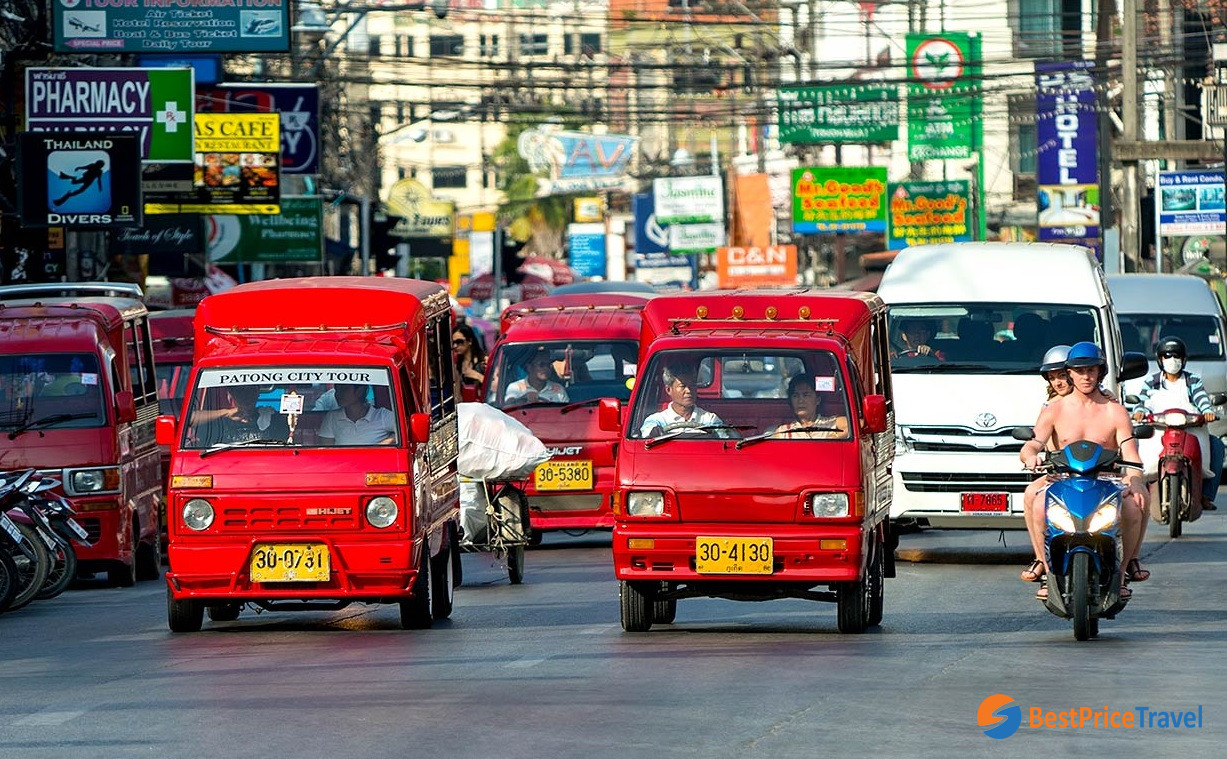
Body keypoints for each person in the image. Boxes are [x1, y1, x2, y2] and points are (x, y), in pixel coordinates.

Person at [1019, 342, 1149, 601]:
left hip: (1107, 479)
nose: (1086, 376)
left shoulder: (1115, 410)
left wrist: (1134, 481)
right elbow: (1033, 443)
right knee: (1037, 502)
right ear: (1070, 373)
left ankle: (1122, 572)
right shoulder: (1054, 408)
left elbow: (1130, 452)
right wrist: (1030, 455)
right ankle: (1045, 568)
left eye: (1091, 370)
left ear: (1100, 372)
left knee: (1135, 504)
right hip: (1063, 478)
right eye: (1079, 371)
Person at [1130, 336, 1223, 511]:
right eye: (1167, 356)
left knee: (1217, 446)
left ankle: (1205, 495)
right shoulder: (1152, 381)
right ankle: (1139, 490)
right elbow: (1141, 401)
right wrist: (1139, 411)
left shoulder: (1192, 380)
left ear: (1183, 359)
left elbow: (1201, 398)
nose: (1172, 360)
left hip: (1190, 427)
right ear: (1160, 359)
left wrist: (1207, 411)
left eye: (1176, 356)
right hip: (1160, 427)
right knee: (1134, 447)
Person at [1019, 344, 1074, 585]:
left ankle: (1125, 564)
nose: (1058, 382)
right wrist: (1031, 456)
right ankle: (1041, 559)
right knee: (1032, 494)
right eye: (1052, 378)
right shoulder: (1049, 407)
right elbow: (1034, 441)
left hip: (1095, 473)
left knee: (1134, 499)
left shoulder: (1101, 401)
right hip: (1059, 473)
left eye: (1062, 375)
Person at [640, 365, 729, 438]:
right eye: (682, 386)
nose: (688, 390)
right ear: (668, 390)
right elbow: (646, 435)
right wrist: (653, 434)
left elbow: (725, 439)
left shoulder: (710, 420)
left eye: (692, 385)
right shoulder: (657, 420)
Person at [193, 385, 289, 446]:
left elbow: (290, 431)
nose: (246, 397)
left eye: (251, 391)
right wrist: (225, 413)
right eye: (241, 392)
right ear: (231, 394)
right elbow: (190, 420)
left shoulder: (272, 419)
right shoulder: (220, 422)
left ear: (257, 393)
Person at [771, 373, 849, 439]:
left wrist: (834, 437)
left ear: (817, 400)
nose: (800, 400)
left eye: (806, 395)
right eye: (795, 396)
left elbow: (854, 426)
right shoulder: (783, 432)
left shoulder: (830, 423)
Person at [318, 384, 396, 446]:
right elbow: (326, 449)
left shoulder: (382, 415)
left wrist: (384, 443)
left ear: (359, 391)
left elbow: (402, 431)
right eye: (336, 390)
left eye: (344, 389)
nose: (338, 394)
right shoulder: (332, 417)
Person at [504, 348, 569, 404]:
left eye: (548, 365)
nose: (546, 368)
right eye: (541, 365)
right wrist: (523, 398)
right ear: (529, 367)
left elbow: (567, 411)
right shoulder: (515, 387)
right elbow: (508, 406)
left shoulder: (559, 389)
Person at [453, 323, 487, 389]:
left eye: (459, 341)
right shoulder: (456, 364)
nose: (455, 346)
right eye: (453, 342)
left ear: (470, 341)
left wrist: (478, 376)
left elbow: (495, 387)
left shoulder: (484, 361)